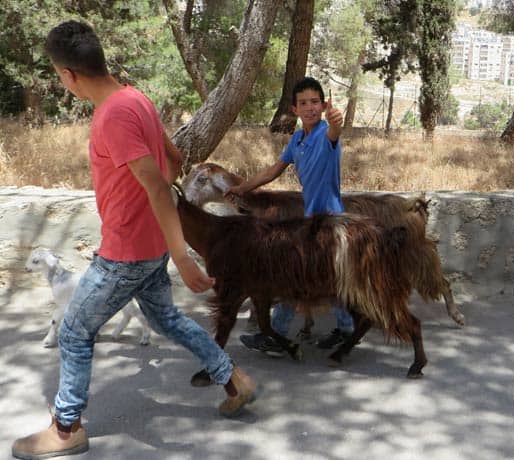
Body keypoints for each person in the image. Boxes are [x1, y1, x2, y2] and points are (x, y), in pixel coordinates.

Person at [12, 20, 256, 460]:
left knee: (73, 331)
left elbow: (161, 186)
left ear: (68, 74)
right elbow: (174, 159)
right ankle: (234, 378)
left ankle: (66, 428)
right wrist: (161, 227)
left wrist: (182, 256)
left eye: (56, 73)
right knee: (167, 321)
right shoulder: (134, 97)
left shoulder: (113, 114)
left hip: (124, 254)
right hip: (149, 247)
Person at [226, 76, 354, 356]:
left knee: (292, 275)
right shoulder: (297, 139)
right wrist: (242, 188)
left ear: (323, 106)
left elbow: (335, 131)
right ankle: (346, 329)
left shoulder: (326, 134)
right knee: (328, 279)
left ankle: (276, 332)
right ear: (294, 109)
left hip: (330, 222)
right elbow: (273, 170)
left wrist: (336, 122)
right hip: (311, 221)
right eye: (303, 103)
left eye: (315, 102)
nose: (310, 107)